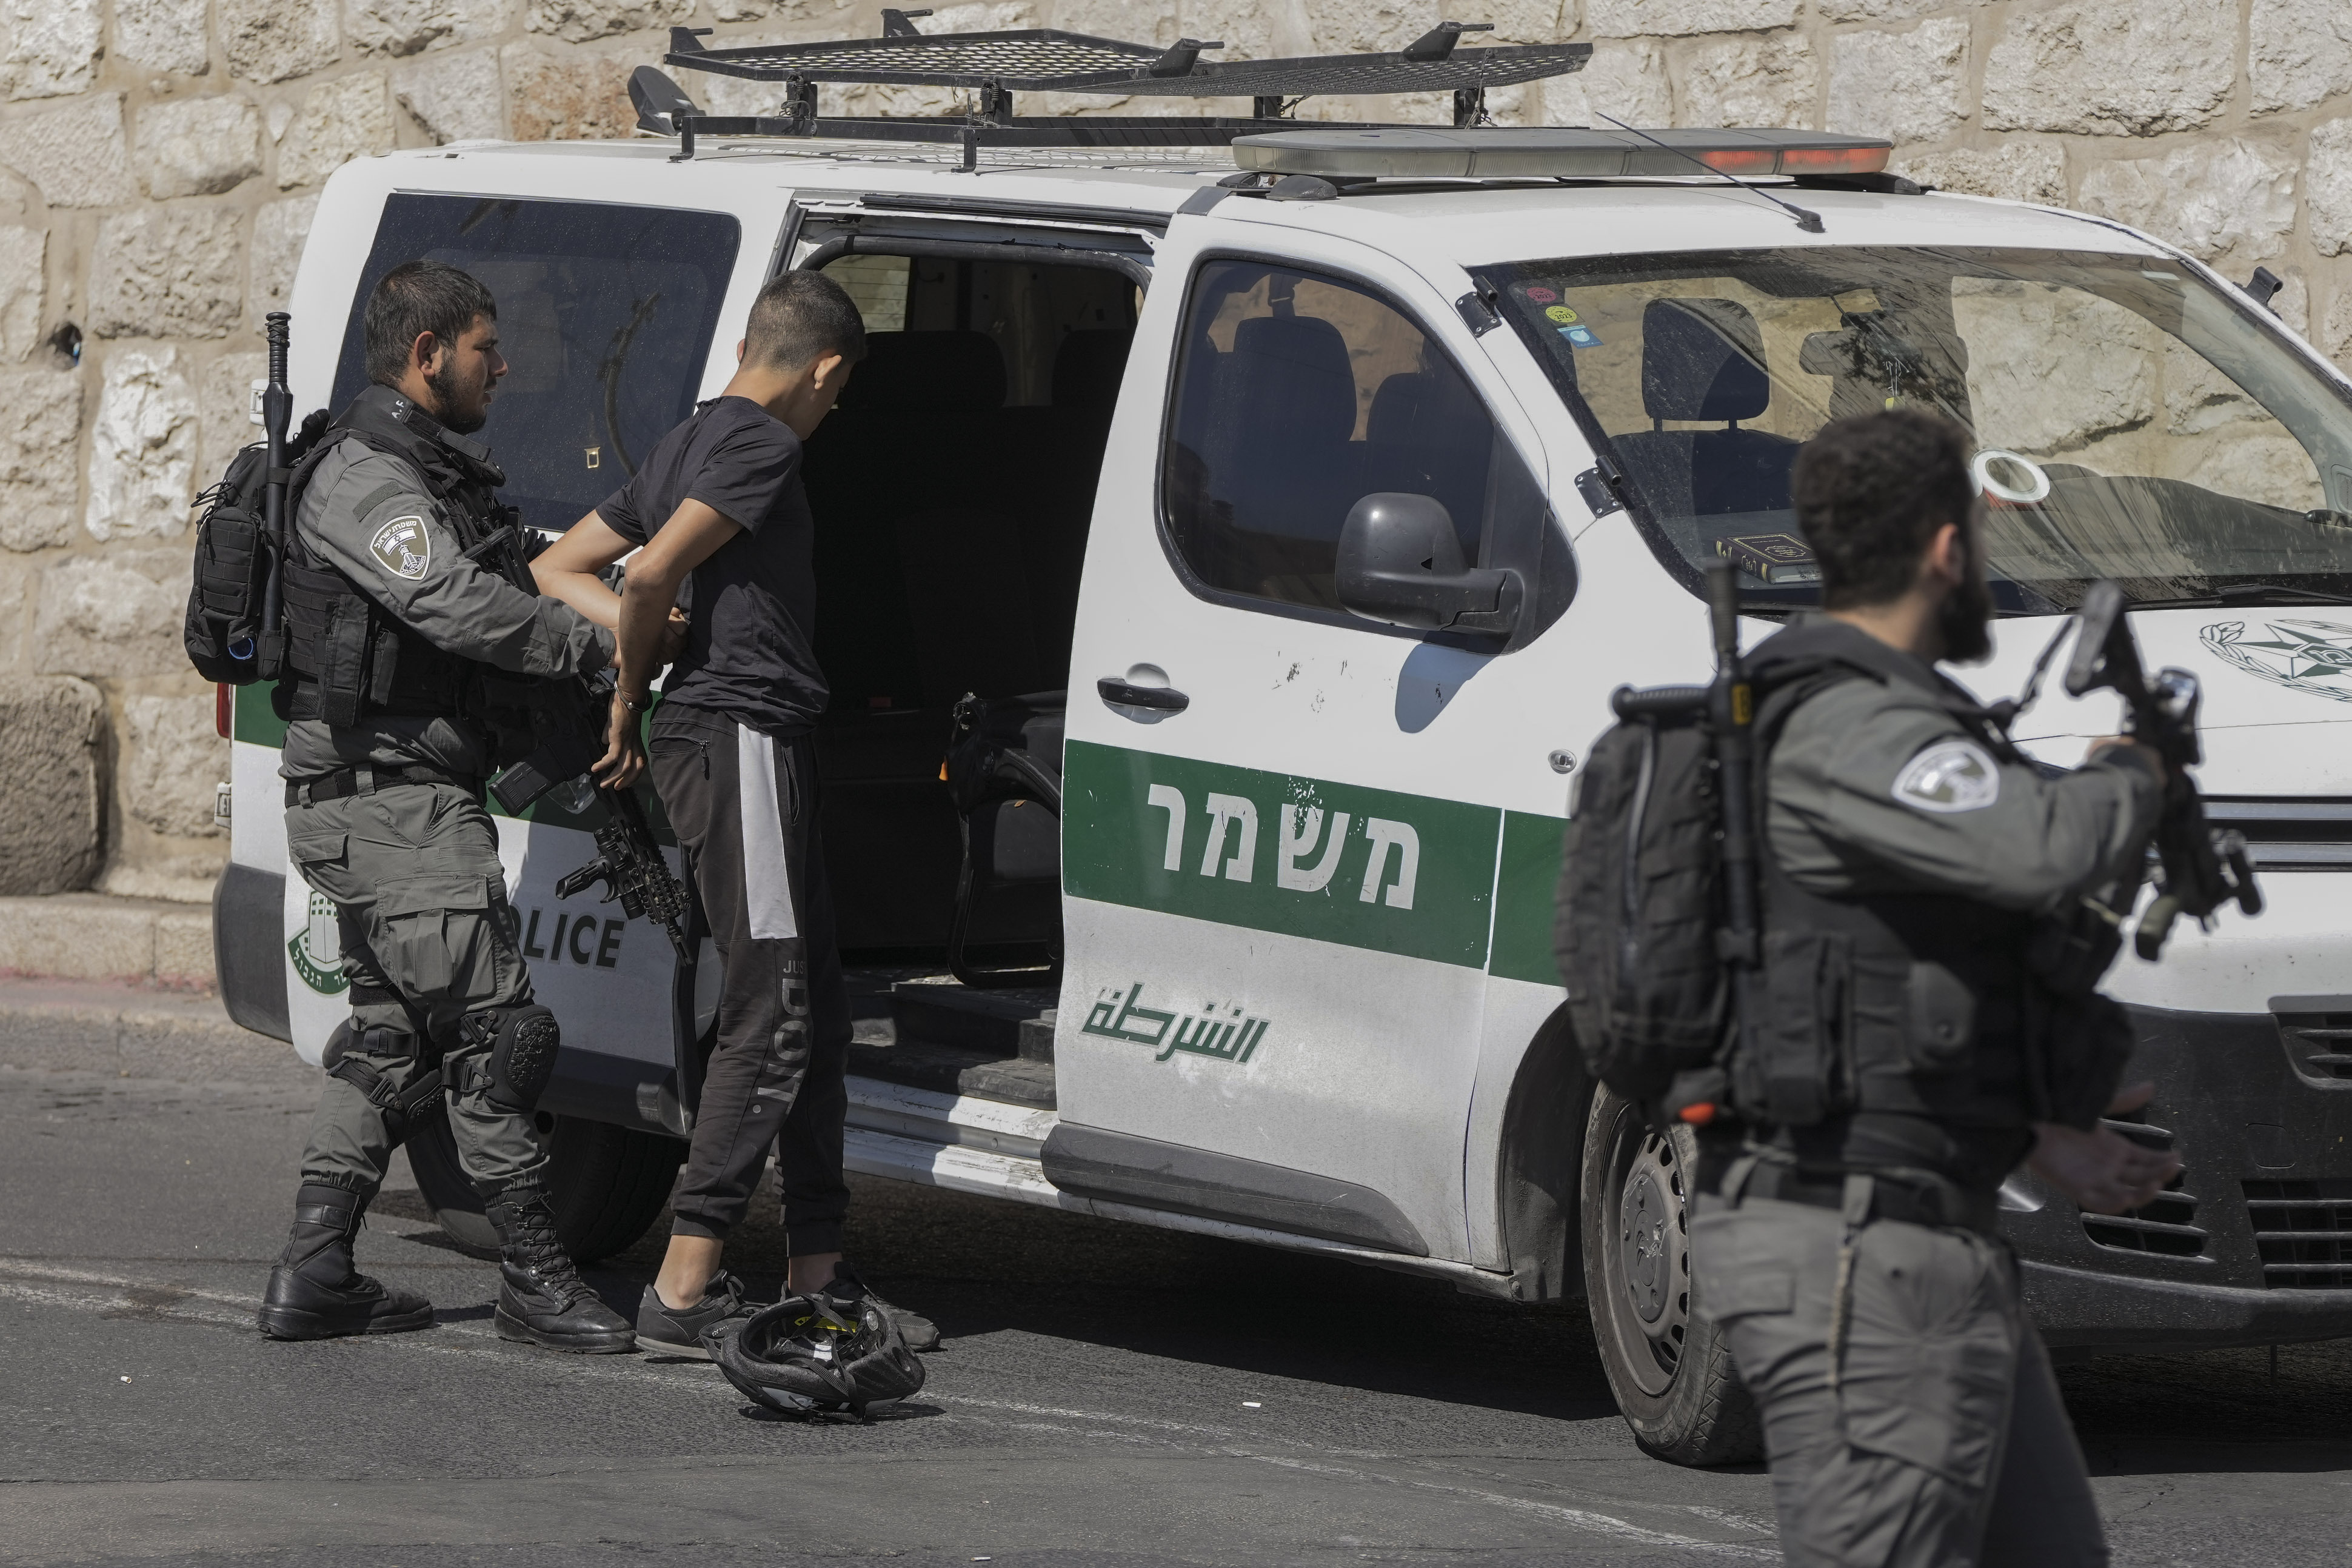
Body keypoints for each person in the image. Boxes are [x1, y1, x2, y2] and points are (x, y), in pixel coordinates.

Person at [1688, 409, 2180, 1566]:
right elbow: (2035, 848)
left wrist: (2035, 1130)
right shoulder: (1853, 722)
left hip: (1926, 1236)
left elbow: (1876, 987)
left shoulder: (1874, 715)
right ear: (1949, 550)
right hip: (1859, 1257)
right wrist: (2132, 777)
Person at [533, 270, 938, 1357]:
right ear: (826, 370)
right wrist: (634, 682)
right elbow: (653, 569)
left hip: (755, 739)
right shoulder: (764, 443)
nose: (833, 410)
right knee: (775, 1012)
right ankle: (685, 1282)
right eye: (838, 393)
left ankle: (819, 1273)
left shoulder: (684, 442)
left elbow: (559, 565)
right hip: (740, 734)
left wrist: (647, 636)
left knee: (817, 1008)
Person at [257, 260, 637, 1354]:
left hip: (383, 803)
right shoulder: (366, 480)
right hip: (395, 809)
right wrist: (591, 640)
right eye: (484, 348)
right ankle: (534, 1277)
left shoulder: (413, 468)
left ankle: (316, 1271)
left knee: (388, 1043)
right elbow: (457, 606)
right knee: (495, 1033)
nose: (503, 367)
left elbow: (484, 568)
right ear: (427, 356)